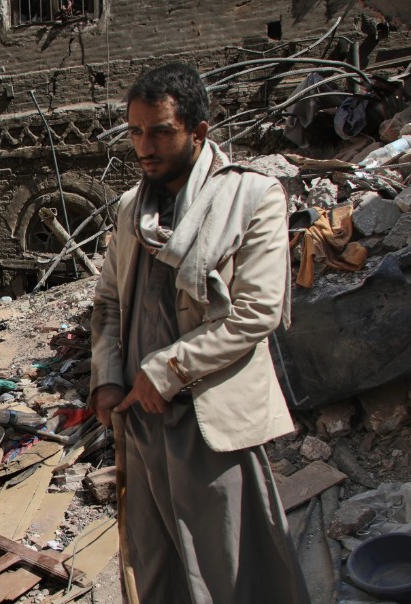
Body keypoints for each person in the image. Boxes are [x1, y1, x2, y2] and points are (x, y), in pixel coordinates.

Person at [89, 62, 310, 604]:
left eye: (161, 131)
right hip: (141, 421)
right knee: (157, 568)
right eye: (136, 131)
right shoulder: (131, 209)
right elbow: (109, 302)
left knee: (229, 570)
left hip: (209, 420)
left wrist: (167, 370)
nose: (145, 147)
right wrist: (108, 380)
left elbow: (255, 312)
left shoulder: (252, 196)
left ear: (198, 130)